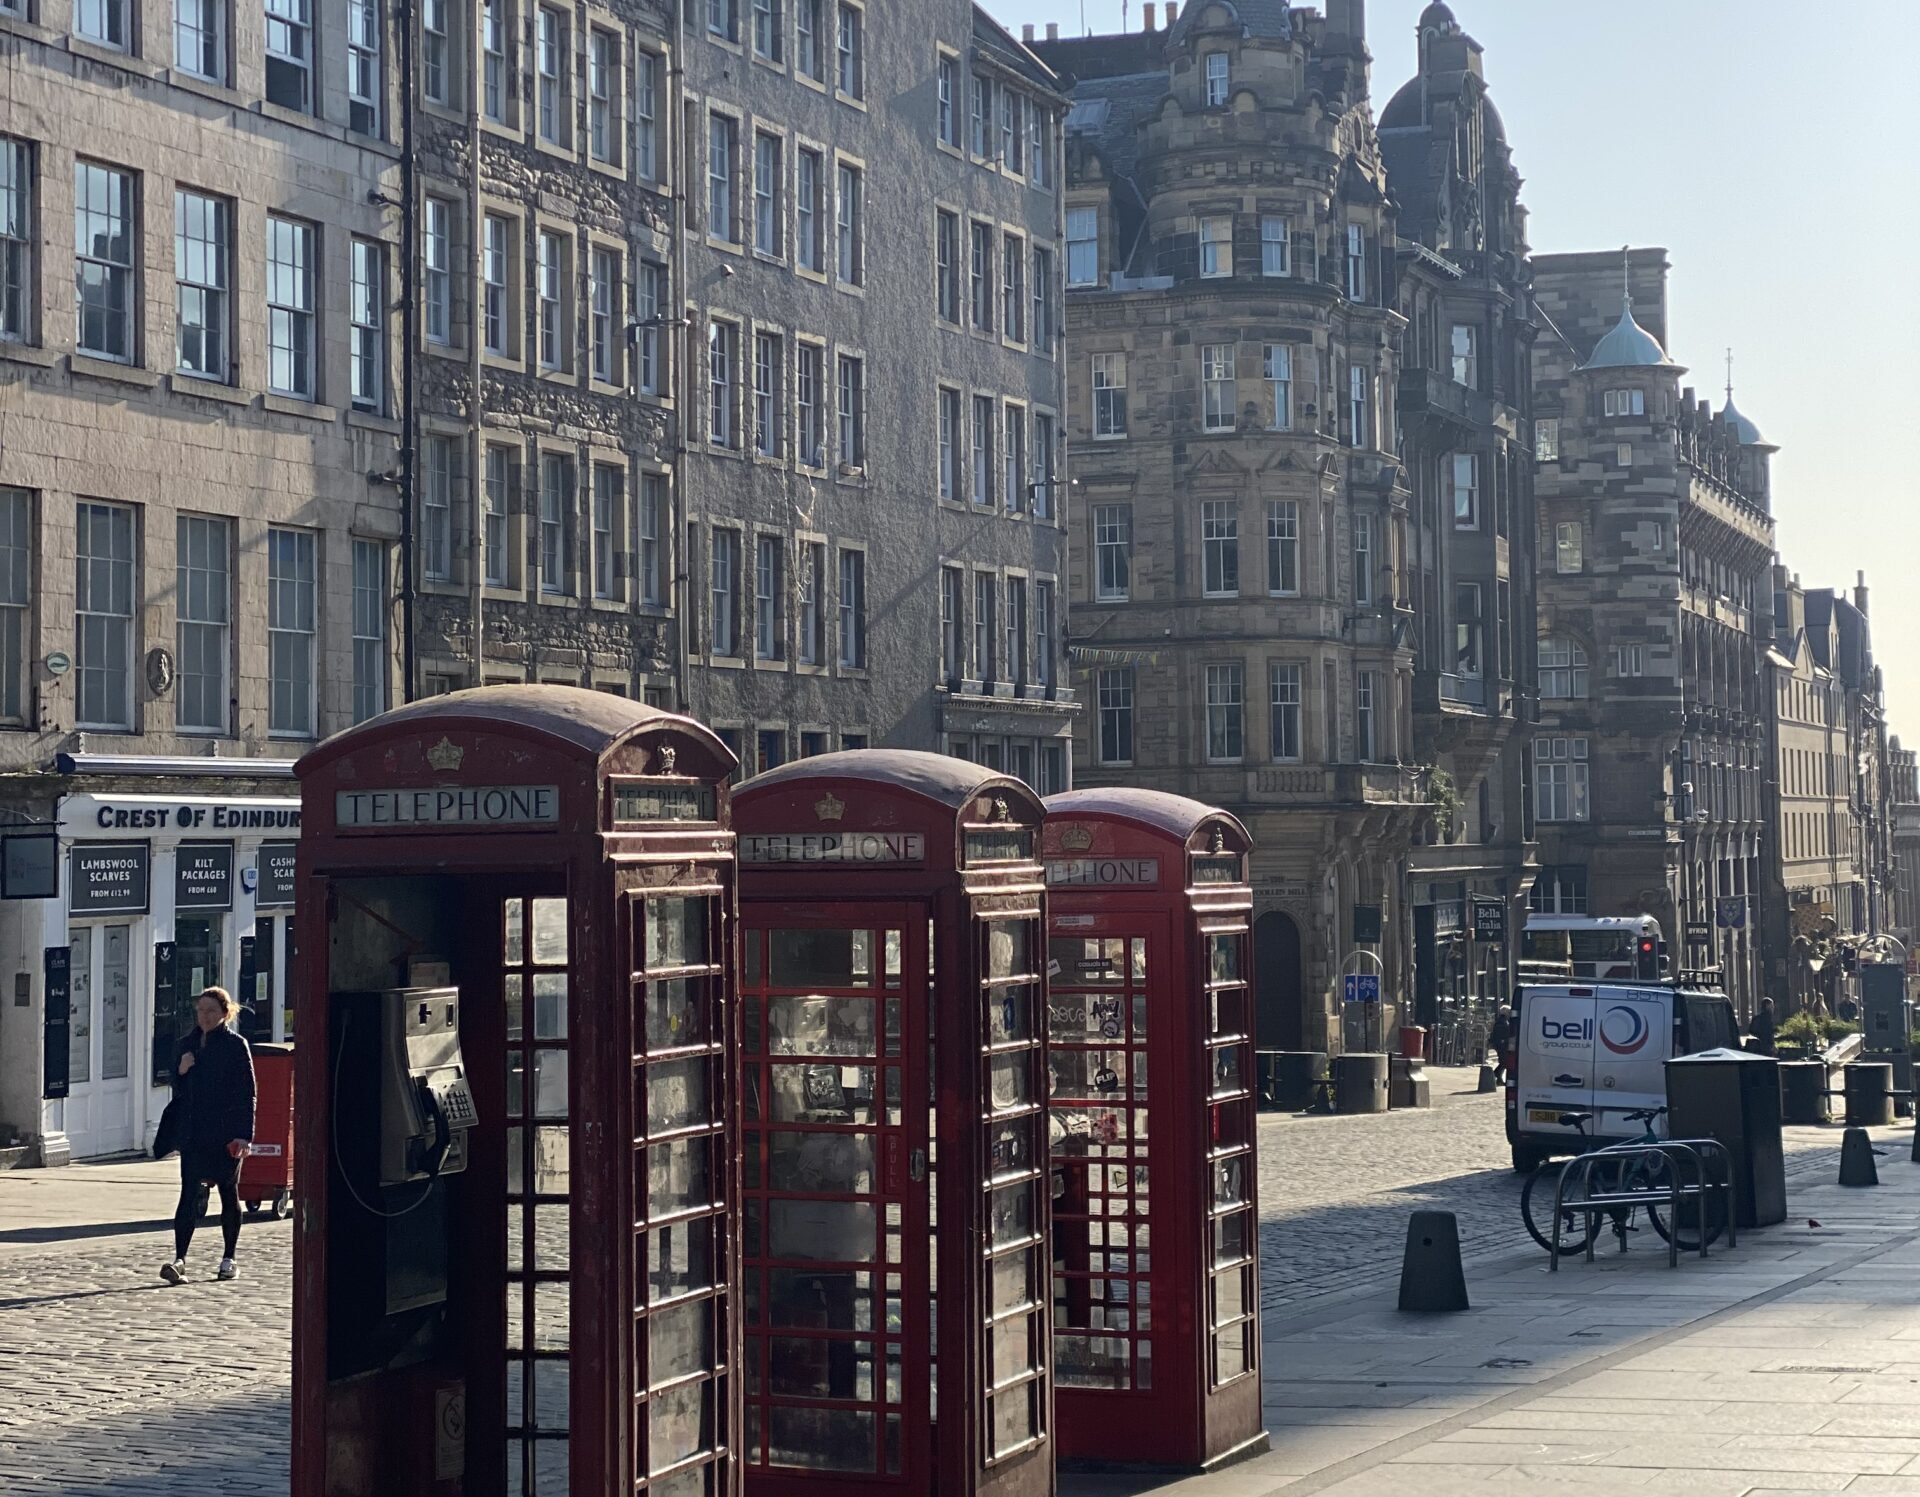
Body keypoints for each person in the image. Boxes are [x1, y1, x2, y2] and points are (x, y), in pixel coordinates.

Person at [160, 986, 256, 1285]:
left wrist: (244, 1135)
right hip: (193, 1131)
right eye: (201, 1010)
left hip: (226, 1133)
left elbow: (247, 1093)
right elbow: (177, 1086)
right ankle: (180, 1259)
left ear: (225, 1014)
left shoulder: (235, 1045)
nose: (204, 1016)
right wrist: (182, 1069)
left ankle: (229, 1258)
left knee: (229, 1192)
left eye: (211, 1011)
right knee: (188, 1192)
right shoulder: (186, 1044)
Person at [1487, 1006, 1514, 1084]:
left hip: (1501, 1043)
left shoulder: (1503, 1021)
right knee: (1504, 1061)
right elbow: (1501, 1032)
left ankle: (1499, 1078)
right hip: (1501, 1044)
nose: (1510, 1013)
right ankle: (1495, 1074)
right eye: (1509, 1012)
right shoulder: (1502, 1021)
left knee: (1504, 1061)